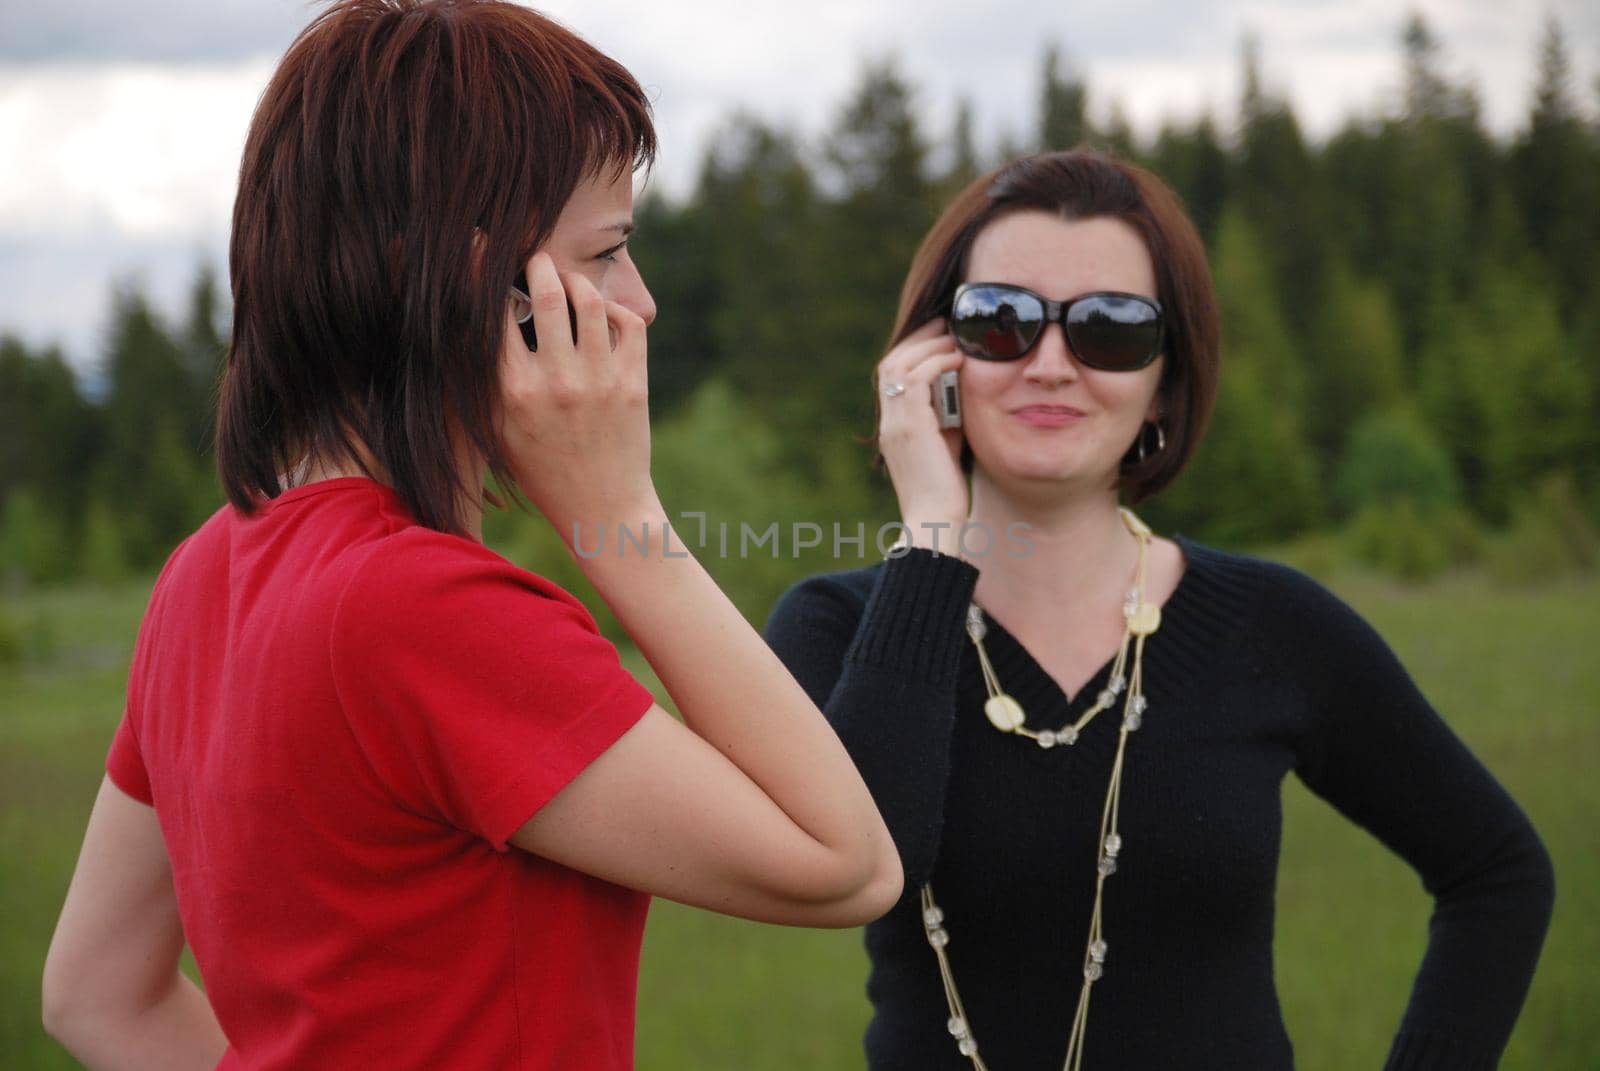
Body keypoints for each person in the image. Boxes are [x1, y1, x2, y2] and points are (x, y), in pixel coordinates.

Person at [40, 3, 901, 1069]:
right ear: (465, 278)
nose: (641, 302)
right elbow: (844, 863)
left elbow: (95, 994)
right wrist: (617, 518)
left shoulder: (202, 572)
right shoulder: (423, 610)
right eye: (607, 253)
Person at [763, 148, 1554, 1070]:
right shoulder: (837, 629)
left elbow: (1498, 872)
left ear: (1165, 383)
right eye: (1001, 319)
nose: (1052, 364)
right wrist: (932, 532)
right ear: (930, 363)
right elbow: (869, 867)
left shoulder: (1273, 626)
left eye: (1109, 328)